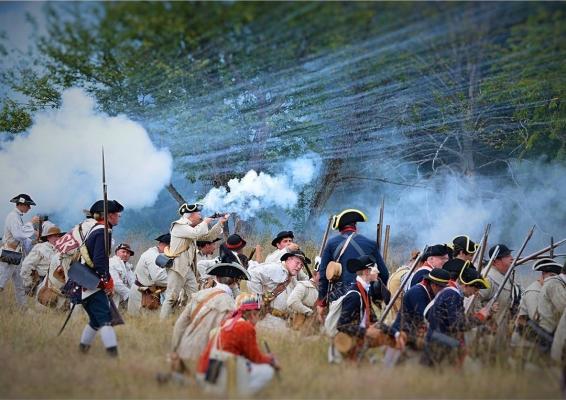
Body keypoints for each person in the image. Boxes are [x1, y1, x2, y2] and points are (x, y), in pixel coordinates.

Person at [170, 261, 250, 376]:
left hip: (184, 352)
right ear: (236, 282)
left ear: (217, 278)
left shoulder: (200, 295)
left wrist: (174, 352)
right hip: (206, 360)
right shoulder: (232, 306)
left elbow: (180, 325)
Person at [196, 293, 279, 396]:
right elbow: (255, 358)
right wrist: (270, 360)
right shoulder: (245, 327)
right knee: (267, 371)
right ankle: (239, 395)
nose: (258, 319)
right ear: (253, 314)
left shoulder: (229, 321)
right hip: (218, 374)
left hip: (206, 372)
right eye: (258, 315)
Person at [316, 209, 388, 322]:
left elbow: (323, 275)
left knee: (338, 331)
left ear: (340, 228)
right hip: (365, 294)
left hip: (339, 295)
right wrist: (379, 298)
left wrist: (321, 302)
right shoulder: (371, 243)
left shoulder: (331, 243)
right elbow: (384, 274)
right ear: (355, 226)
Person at [160, 203, 228, 319]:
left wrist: (220, 223)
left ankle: (189, 319)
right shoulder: (178, 226)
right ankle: (162, 323)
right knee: (171, 297)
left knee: (195, 295)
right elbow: (196, 233)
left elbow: (207, 238)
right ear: (190, 215)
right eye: (198, 213)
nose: (200, 216)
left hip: (188, 268)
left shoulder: (191, 228)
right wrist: (205, 222)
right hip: (177, 267)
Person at [421, 264, 493, 367]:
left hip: (436, 339)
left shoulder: (451, 292)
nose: (475, 293)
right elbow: (458, 325)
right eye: (475, 289)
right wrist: (479, 317)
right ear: (465, 285)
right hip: (438, 342)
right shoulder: (453, 295)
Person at [77, 199, 124, 357]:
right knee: (106, 319)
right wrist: (106, 281)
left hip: (90, 280)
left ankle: (82, 351)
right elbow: (99, 261)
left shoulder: (99, 229)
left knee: (96, 321)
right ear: (109, 216)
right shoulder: (102, 231)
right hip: (93, 282)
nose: (119, 217)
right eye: (117, 214)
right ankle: (114, 356)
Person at [330, 255, 389, 362]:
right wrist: (366, 331)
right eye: (375, 269)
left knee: (391, 339)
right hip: (350, 343)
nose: (378, 272)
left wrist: (394, 332)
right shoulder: (355, 295)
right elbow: (342, 325)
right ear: (367, 272)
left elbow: (373, 319)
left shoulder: (364, 291)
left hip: (360, 340)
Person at [390, 268, 451, 361]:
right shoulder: (417, 292)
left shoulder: (431, 292)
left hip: (416, 334)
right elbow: (427, 317)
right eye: (442, 287)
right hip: (403, 333)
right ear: (434, 285)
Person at [247, 250, 311, 330]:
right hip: (270, 321)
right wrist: (258, 301)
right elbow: (252, 274)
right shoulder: (276, 268)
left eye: (301, 265)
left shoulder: (291, 275)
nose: (299, 267)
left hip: (282, 321)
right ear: (288, 259)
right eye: (297, 263)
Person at [513, 258, 562, 348]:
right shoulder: (535, 291)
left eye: (555, 277)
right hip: (525, 343)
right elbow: (537, 319)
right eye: (551, 276)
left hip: (538, 340)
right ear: (543, 275)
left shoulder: (546, 291)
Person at [477, 244, 521, 343]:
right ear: (496, 261)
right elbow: (473, 302)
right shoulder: (487, 278)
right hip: (488, 334)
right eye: (507, 256)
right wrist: (488, 312)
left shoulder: (505, 276)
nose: (511, 258)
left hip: (502, 331)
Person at [0, 194, 39, 306]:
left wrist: (33, 241)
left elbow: (21, 239)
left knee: (20, 284)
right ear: (21, 204)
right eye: (27, 205)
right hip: (10, 253)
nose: (29, 208)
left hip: (16, 254)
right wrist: (31, 223)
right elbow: (18, 234)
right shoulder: (13, 216)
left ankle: (23, 308)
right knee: (1, 283)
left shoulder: (16, 217)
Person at [127, 234, 169, 315]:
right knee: (138, 322)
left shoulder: (160, 255)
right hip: (141, 293)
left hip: (150, 292)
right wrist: (175, 283)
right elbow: (158, 277)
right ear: (165, 245)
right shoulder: (152, 255)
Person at [20, 223, 64, 296]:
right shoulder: (40, 248)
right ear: (48, 237)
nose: (57, 238)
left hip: (60, 283)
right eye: (54, 236)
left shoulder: (62, 249)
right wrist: (28, 284)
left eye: (58, 236)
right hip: (44, 283)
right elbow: (26, 266)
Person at [109, 243, 135, 307]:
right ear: (117, 252)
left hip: (122, 301)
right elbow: (115, 283)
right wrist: (130, 295)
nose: (125, 254)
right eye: (123, 252)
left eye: (128, 253)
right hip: (111, 300)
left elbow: (133, 282)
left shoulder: (128, 266)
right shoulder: (112, 263)